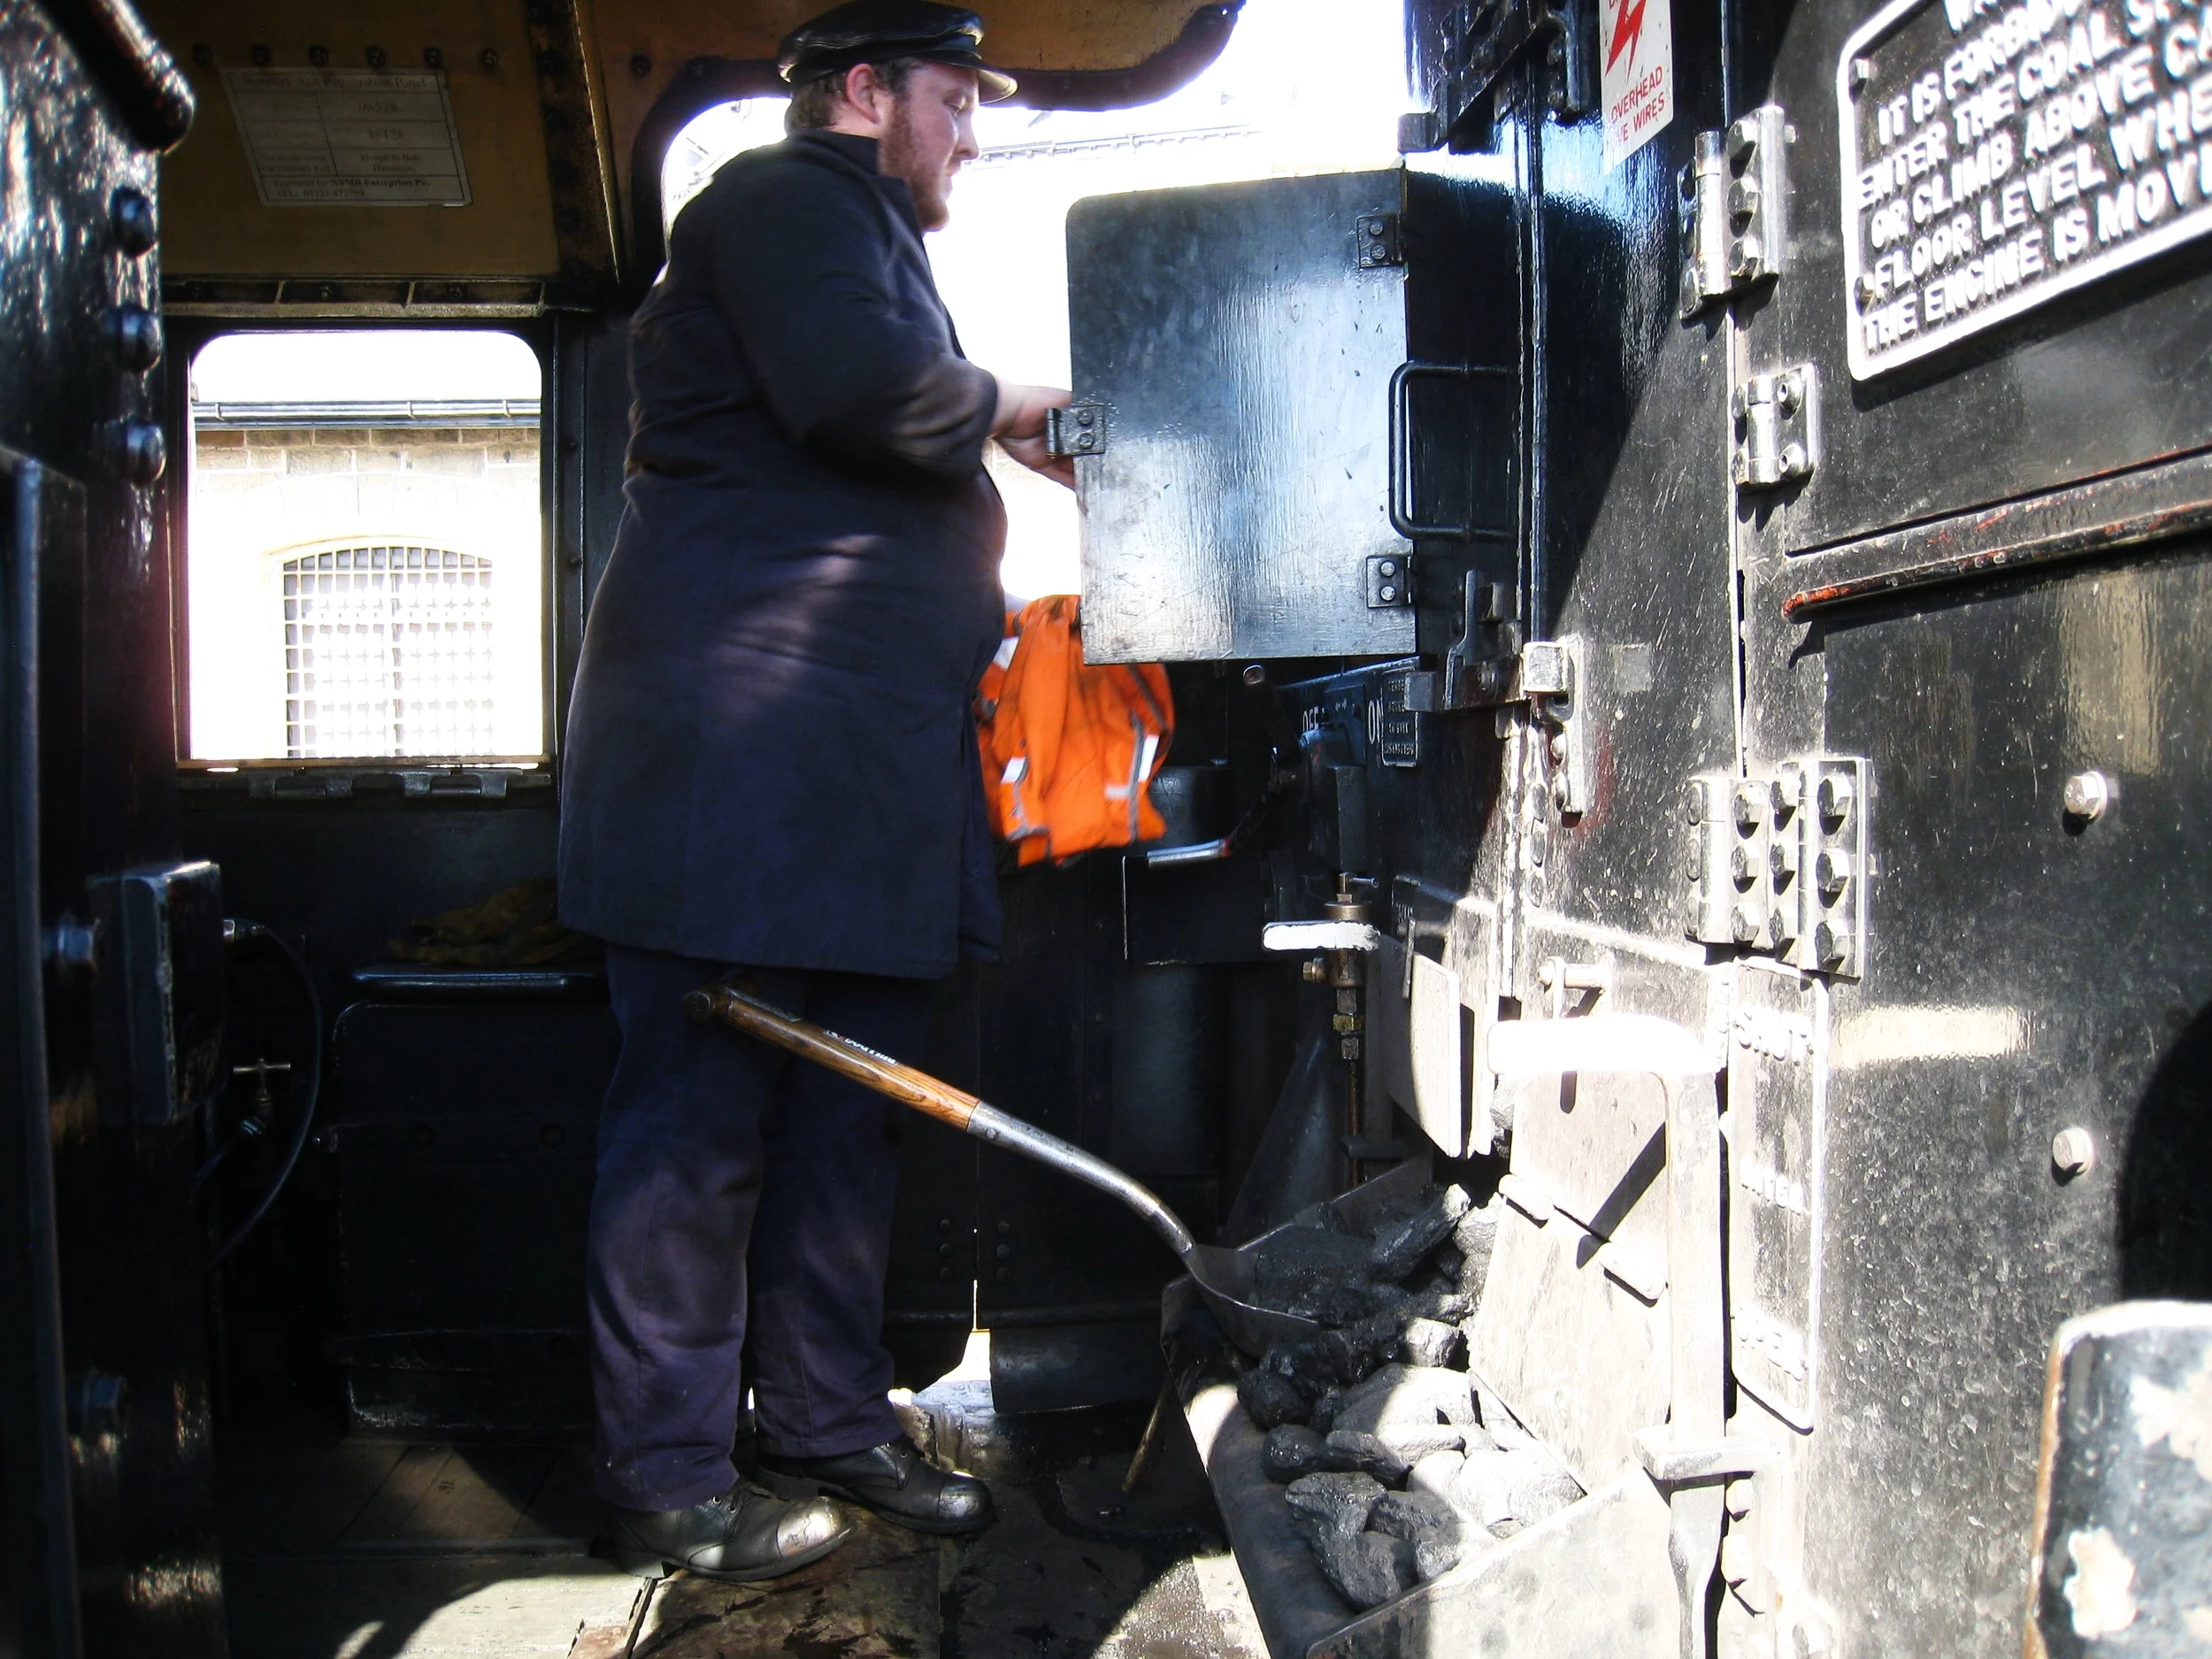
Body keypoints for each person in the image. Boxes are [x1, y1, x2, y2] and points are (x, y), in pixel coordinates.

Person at [556, 0, 1072, 1582]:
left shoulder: (858, 232)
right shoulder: (779, 201)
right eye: (955, 99)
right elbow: (857, 388)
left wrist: (997, 435)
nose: (973, 132)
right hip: (739, 770)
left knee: (849, 1124)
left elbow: (881, 400)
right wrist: (1010, 406)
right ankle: (664, 1473)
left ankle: (828, 1417)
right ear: (866, 92)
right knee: (699, 1129)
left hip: (849, 783)